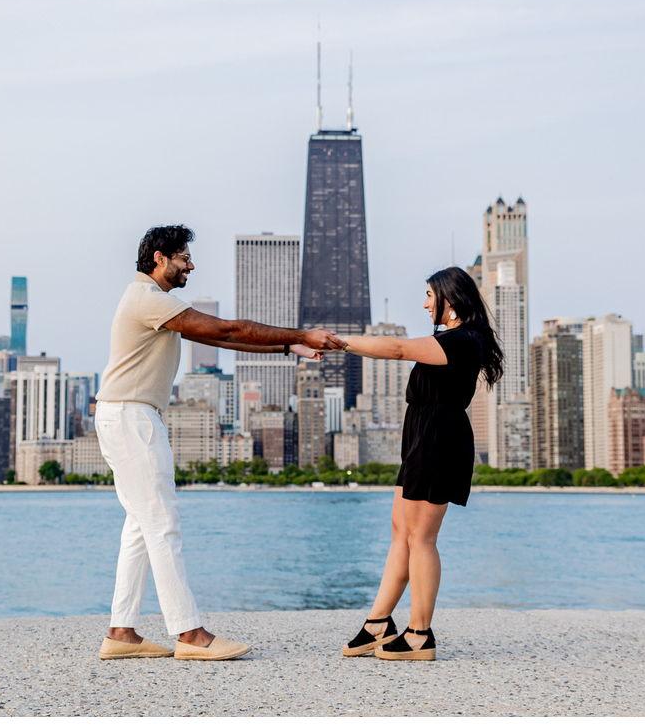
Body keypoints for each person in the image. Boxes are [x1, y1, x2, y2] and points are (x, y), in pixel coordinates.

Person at [94, 224, 343, 662]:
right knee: (162, 522)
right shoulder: (147, 299)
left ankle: (121, 631)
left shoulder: (156, 303)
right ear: (159, 258)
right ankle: (188, 634)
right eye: (184, 256)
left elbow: (215, 338)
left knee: (141, 523)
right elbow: (228, 330)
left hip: (127, 415)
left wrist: (288, 350)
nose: (191, 263)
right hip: (131, 417)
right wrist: (301, 334)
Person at [338, 266, 503, 661]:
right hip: (421, 440)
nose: (425, 302)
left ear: (451, 299)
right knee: (401, 532)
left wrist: (339, 343)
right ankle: (379, 622)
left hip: (439, 441)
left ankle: (419, 635)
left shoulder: (463, 341)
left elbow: (396, 350)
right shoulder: (450, 339)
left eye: (430, 295)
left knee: (421, 538)